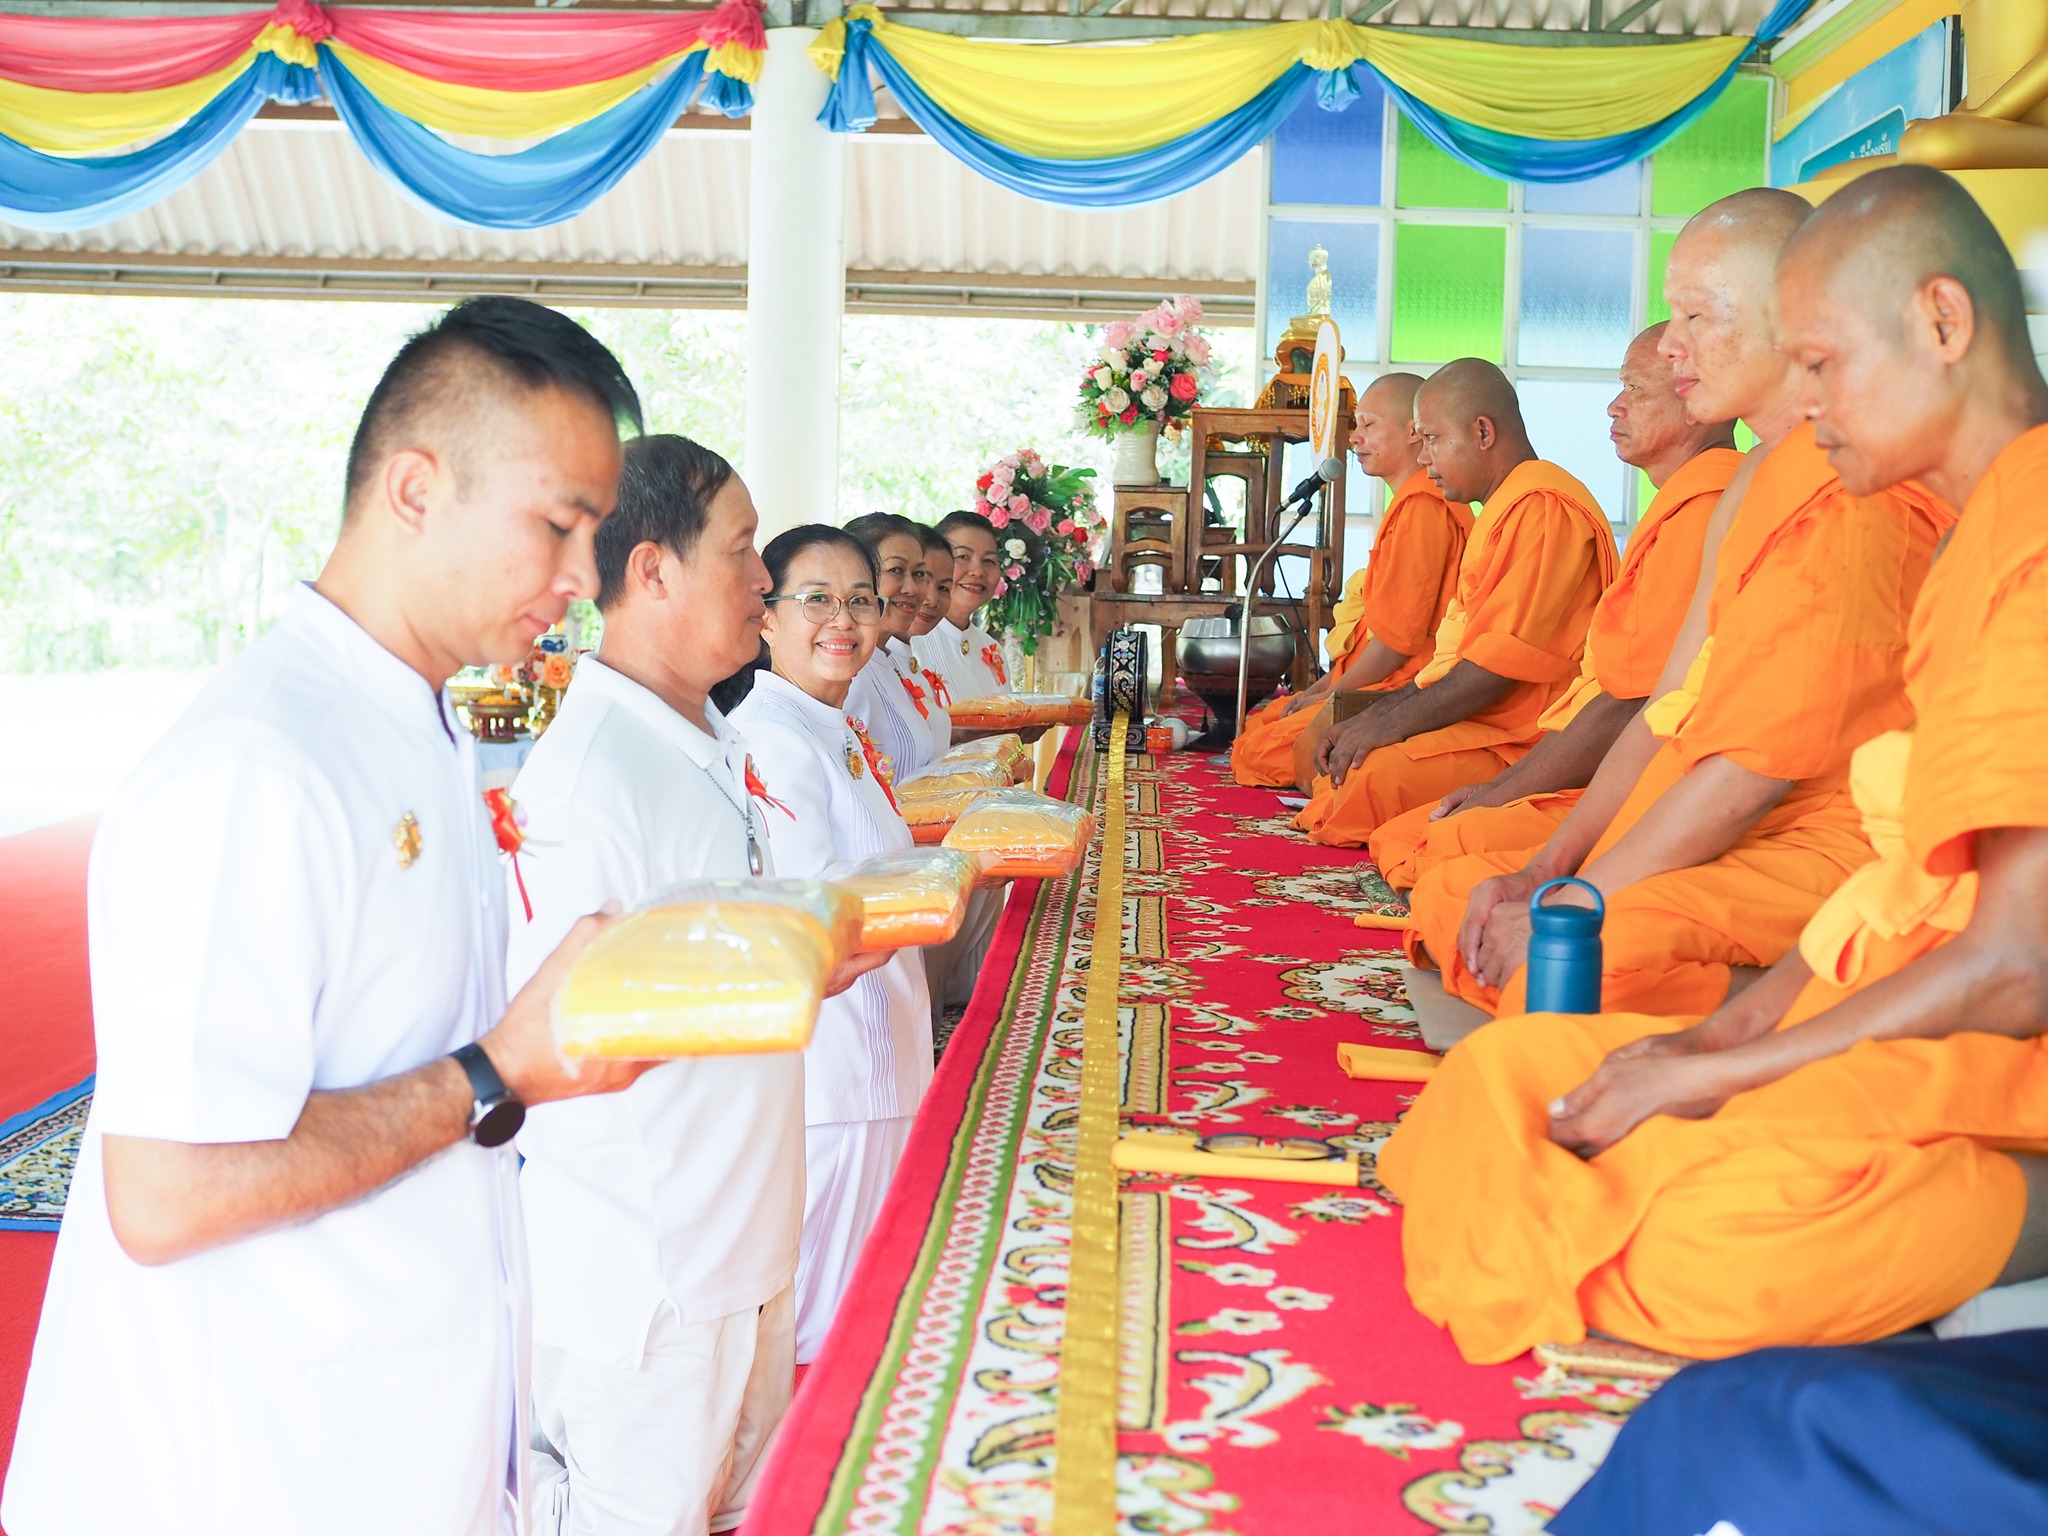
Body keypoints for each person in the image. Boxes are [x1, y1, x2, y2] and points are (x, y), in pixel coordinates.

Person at [1, 297, 654, 1536]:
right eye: (558, 526)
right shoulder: (261, 761)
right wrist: (495, 1068)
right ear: (414, 489)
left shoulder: (423, 720)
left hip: (393, 1424)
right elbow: (167, 1195)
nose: (581, 579)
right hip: (254, 1464)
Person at [1379, 165, 2048, 1368]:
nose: (1799, 402)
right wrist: (1715, 1043)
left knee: (1703, 1236)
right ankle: (1656, 1153)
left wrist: (1715, 1066)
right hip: (1866, 988)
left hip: (1995, 1075)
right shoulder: (1963, 531)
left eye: (1820, 365)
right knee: (1504, 1081)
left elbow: (2011, 971)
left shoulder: (2023, 539)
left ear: (1940, 324)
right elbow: (1883, 900)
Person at [1414, 189, 1953, 1020]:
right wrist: (1549, 867)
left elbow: (1752, 774)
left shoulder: (1854, 490)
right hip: (1724, 815)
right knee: (1470, 885)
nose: (1671, 345)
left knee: (1593, 959)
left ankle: (1837, 1004)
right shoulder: (1757, 483)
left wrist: (1579, 900)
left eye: (1696, 316)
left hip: (1828, 839)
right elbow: (1666, 707)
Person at [503, 435, 802, 1536]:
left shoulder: (705, 735)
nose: (763, 579)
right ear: (652, 572)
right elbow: (563, 1046)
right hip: (650, 1271)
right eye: (741, 550)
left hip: (744, 1233)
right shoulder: (587, 782)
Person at [1368, 325, 1741, 893]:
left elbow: (1632, 702)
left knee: (1432, 856)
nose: (1613, 405)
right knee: (1408, 835)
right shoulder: (1681, 504)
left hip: (1598, 756)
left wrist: (1503, 789)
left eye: (1635, 390)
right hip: (1576, 745)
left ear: (1695, 400)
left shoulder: (1698, 509)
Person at [727, 526, 936, 1363]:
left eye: (858, 600)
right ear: (765, 617)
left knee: (860, 1309)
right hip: (840, 1074)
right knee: (824, 1331)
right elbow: (819, 915)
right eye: (815, 599)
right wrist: (948, 877)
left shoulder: (828, 723)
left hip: (879, 1056)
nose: (841, 619)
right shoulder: (776, 739)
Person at [1292, 359, 1618, 846]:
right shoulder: (1504, 509)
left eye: (1433, 440)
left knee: (1365, 780)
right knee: (1341, 761)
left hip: (1522, 740)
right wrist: (1373, 718)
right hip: (1481, 721)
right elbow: (1459, 658)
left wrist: (1389, 724)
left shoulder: (1544, 510)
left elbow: (1492, 670)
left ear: (1483, 432)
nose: (1423, 459)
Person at [1229, 372, 1472, 791]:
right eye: (1355, 426)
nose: (1354, 439)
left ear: (1414, 433)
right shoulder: (1409, 504)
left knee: (1259, 751)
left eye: (1368, 425)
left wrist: (1328, 697)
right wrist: (1321, 688)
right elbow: (1374, 633)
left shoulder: (1423, 510)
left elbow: (1399, 643)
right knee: (1264, 724)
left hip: (1405, 689)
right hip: (1378, 677)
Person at [845, 512, 951, 780]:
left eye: (918, 574)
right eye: (896, 571)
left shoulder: (889, 663)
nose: (913, 589)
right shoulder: (848, 672)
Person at [913, 509, 1010, 703]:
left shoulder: (992, 649)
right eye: (963, 557)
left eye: (989, 561)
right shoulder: (911, 640)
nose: (978, 571)